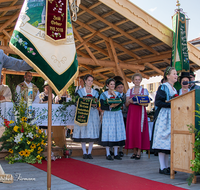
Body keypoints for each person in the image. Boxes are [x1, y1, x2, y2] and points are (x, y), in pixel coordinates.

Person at [152, 66, 178, 175]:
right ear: (167, 76)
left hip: (171, 115)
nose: (176, 76)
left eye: (176, 74)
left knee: (167, 142)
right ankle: (162, 167)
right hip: (164, 116)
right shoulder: (163, 87)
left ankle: (167, 166)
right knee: (163, 140)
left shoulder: (174, 88)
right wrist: (171, 104)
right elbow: (158, 102)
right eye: (174, 74)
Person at [73, 74, 100, 159]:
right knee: (83, 131)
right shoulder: (79, 92)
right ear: (85, 81)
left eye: (91, 81)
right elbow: (75, 102)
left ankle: (90, 152)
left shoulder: (95, 92)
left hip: (92, 113)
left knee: (92, 131)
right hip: (83, 112)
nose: (90, 82)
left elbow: (97, 104)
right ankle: (84, 152)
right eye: (89, 80)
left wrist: (94, 104)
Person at [99, 78, 126, 160]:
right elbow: (102, 106)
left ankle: (116, 153)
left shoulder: (118, 94)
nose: (112, 86)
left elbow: (121, 101)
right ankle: (108, 153)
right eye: (111, 84)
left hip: (117, 115)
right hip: (108, 114)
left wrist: (114, 95)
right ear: (107, 85)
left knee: (116, 132)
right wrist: (110, 106)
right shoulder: (103, 95)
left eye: (114, 84)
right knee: (108, 132)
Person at [125, 73, 150, 160]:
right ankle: (134, 152)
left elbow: (146, 104)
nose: (137, 81)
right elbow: (126, 104)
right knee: (133, 131)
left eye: (139, 79)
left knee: (140, 131)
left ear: (141, 80)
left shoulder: (144, 90)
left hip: (141, 112)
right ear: (133, 81)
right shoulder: (129, 91)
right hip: (132, 113)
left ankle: (139, 152)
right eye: (136, 79)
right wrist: (130, 101)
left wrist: (140, 101)